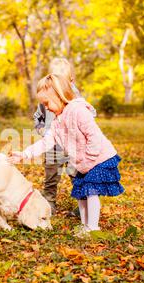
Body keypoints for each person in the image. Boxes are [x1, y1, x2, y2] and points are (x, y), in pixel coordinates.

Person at [9, 74, 124, 238]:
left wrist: (89, 159)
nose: (46, 108)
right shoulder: (57, 121)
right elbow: (45, 142)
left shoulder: (78, 111)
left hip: (99, 159)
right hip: (84, 163)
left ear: (59, 95)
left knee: (91, 191)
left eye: (47, 103)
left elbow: (94, 137)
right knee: (81, 192)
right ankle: (85, 226)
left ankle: (93, 228)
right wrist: (24, 154)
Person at [33, 58, 96, 216]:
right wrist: (41, 129)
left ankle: (84, 207)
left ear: (71, 81)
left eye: (62, 83)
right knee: (51, 177)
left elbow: (87, 111)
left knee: (76, 174)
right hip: (52, 146)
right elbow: (38, 116)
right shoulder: (45, 96)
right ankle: (49, 204)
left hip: (72, 146)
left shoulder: (74, 96)